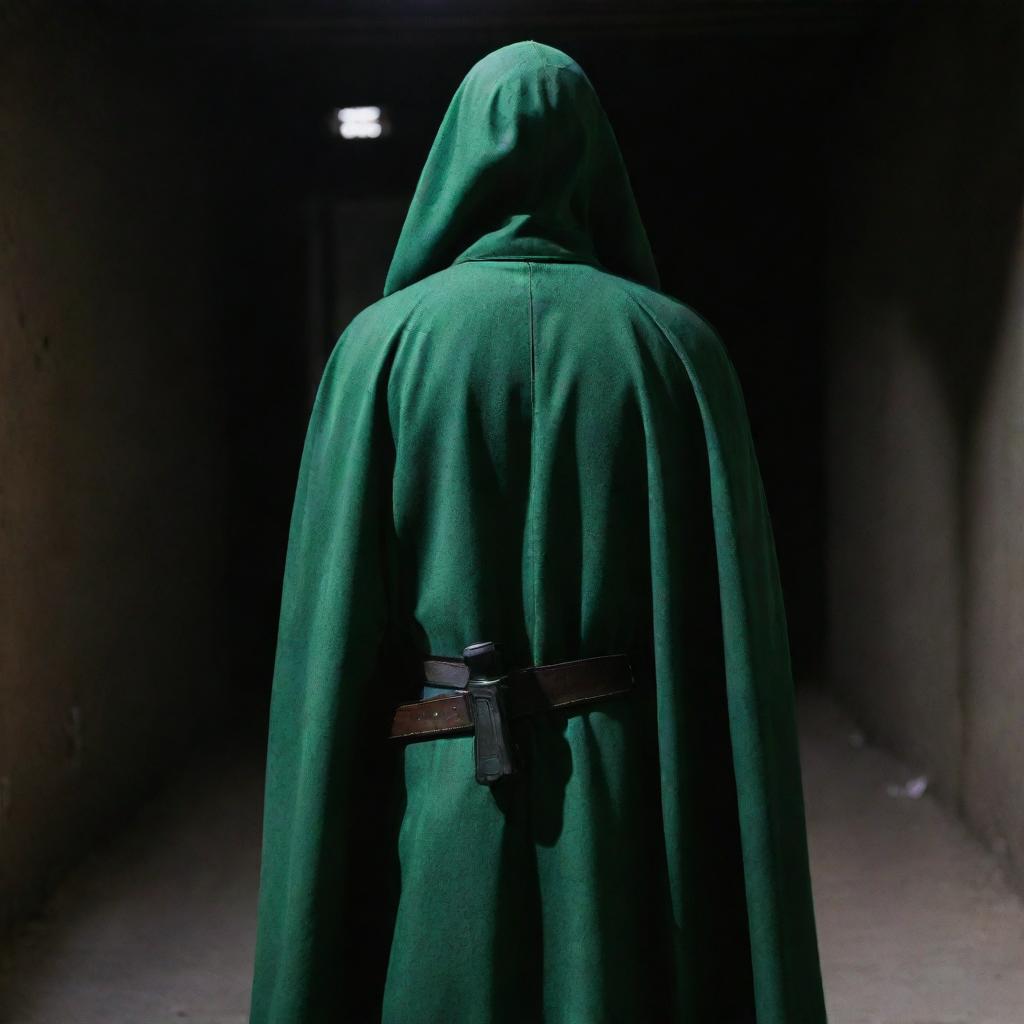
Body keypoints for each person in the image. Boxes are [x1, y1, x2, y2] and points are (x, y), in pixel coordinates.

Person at [249, 40, 827, 1024]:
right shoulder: (672, 351)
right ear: (592, 159)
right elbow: (719, 635)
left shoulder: (377, 351)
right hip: (614, 801)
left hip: (434, 796)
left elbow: (331, 637)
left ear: (454, 156)